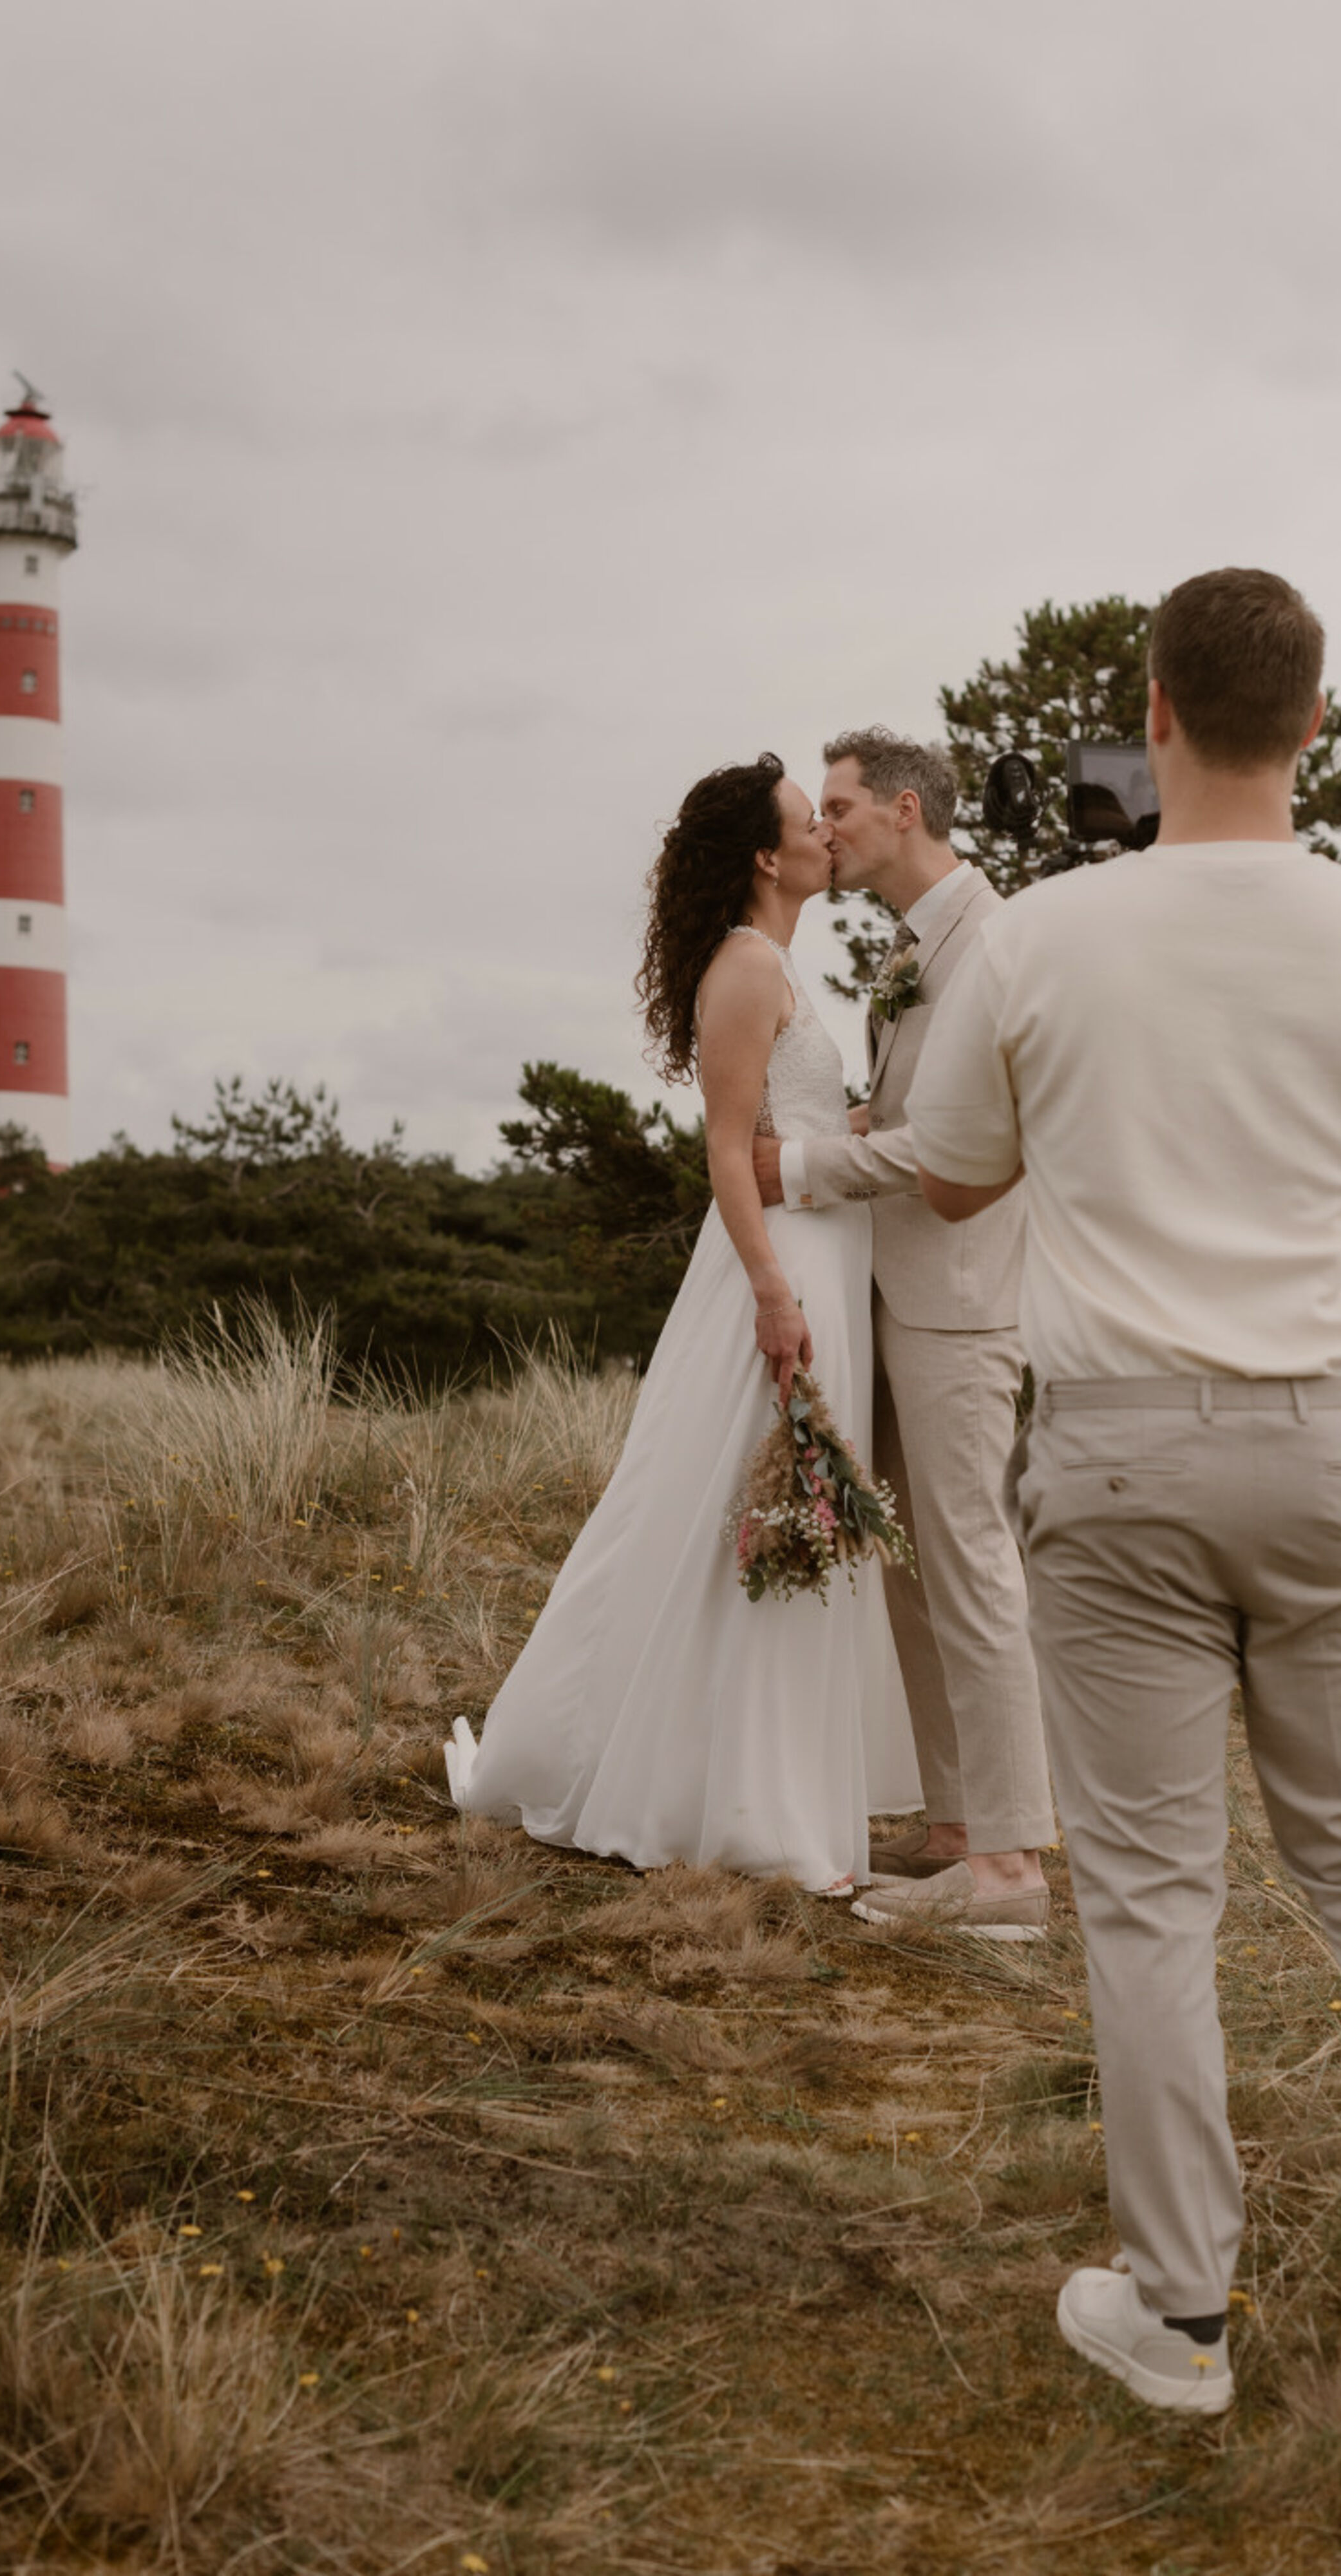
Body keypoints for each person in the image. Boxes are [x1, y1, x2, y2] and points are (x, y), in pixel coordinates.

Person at [904, 565, 1341, 2413]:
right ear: (1315, 721)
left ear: (1156, 711)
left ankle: (1182, 2316)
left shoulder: (1041, 935)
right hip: (1328, 1444)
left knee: (1148, 1890)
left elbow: (950, 1172)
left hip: (1117, 1446)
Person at [446, 754, 920, 1891]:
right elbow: (726, 1148)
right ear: (765, 857)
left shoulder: (777, 965)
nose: (826, 835)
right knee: (747, 1508)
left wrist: (882, 1118)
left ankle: (752, 1782)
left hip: (823, 1253)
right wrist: (771, 1293)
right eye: (807, 823)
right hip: (783, 1266)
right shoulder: (748, 967)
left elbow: (799, 1121)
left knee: (771, 1510)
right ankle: (742, 1807)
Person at [753, 727, 1054, 1937]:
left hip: (964, 1301)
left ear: (906, 810)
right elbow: (913, 1110)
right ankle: (956, 1829)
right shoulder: (909, 943)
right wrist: (853, 1119)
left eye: (838, 807)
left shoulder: (991, 942)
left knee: (971, 1563)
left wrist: (801, 1167)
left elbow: (968, 1145)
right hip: (887, 1291)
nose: (822, 829)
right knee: (912, 1568)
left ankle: (1011, 1870)